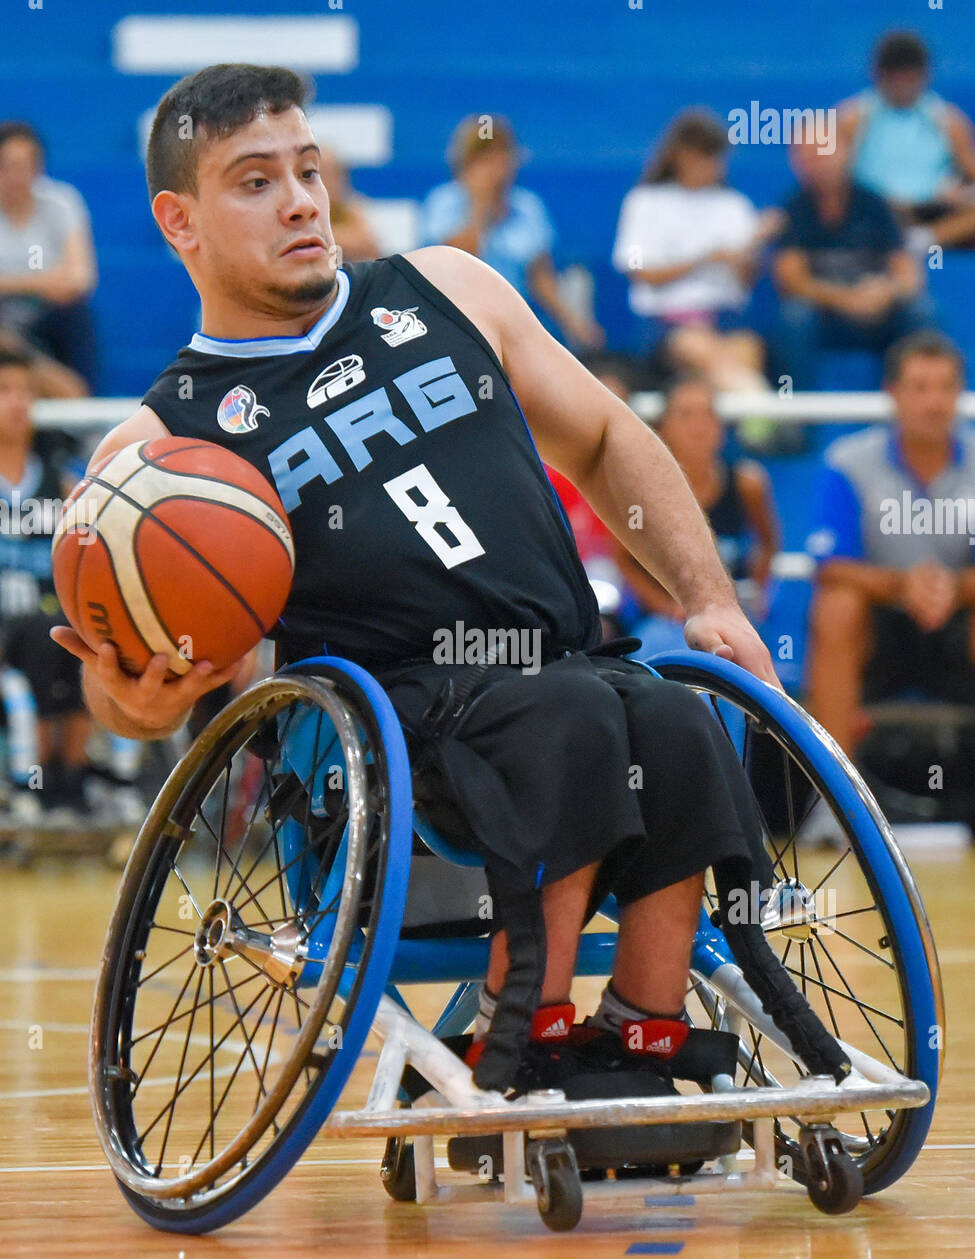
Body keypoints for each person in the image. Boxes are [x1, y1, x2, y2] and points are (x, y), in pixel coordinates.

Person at [53, 65, 846, 1102]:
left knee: (681, 719)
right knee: (563, 714)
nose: (300, 199)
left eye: (306, 169)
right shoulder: (160, 451)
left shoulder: (449, 286)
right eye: (254, 182)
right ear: (178, 220)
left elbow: (606, 435)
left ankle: (646, 1034)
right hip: (394, 725)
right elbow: (118, 688)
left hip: (566, 665)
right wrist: (135, 701)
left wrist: (709, 597)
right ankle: (527, 1032)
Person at [807, 330, 975, 761]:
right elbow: (830, 566)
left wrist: (954, 589)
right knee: (836, 606)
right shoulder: (851, 462)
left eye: (945, 387)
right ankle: (835, 802)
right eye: (919, 388)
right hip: (881, 636)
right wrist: (904, 586)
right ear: (893, 394)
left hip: (958, 631)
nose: (934, 403)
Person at [612, 110, 782, 402]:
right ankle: (764, 417)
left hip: (726, 320)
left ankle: (754, 421)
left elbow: (746, 282)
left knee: (747, 350)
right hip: (666, 324)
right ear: (680, 155)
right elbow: (640, 271)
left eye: (716, 157)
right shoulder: (644, 203)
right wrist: (705, 259)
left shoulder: (734, 206)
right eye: (704, 156)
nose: (712, 166)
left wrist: (749, 254)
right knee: (701, 349)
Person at [615, 376, 780, 659]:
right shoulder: (639, 489)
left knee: (743, 656)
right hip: (663, 621)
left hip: (731, 618)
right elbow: (623, 559)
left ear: (722, 429)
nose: (699, 425)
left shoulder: (748, 483)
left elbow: (768, 542)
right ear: (662, 427)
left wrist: (755, 592)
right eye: (686, 414)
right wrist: (667, 609)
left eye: (709, 414)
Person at [419, 114, 603, 351]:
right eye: (485, 158)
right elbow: (457, 263)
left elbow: (540, 277)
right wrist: (479, 206)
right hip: (454, 322)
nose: (496, 166)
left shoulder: (528, 206)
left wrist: (573, 322)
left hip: (512, 326)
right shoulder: (442, 202)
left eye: (502, 154)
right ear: (466, 163)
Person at [0, 346, 91, 820]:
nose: (18, 403)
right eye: (4, 391)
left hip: (46, 613)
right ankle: (32, 783)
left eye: (26, 393)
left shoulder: (56, 476)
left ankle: (71, 784)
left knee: (81, 633)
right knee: (36, 638)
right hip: (7, 626)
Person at [773, 133, 934, 391]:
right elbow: (791, 280)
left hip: (878, 313)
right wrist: (846, 299)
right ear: (797, 162)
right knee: (794, 318)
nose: (820, 162)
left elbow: (909, 275)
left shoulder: (875, 205)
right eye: (810, 155)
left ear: (846, 153)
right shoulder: (794, 209)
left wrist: (886, 291)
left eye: (825, 152)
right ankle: (797, 420)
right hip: (826, 316)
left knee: (922, 312)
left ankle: (923, 404)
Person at [839, 31, 975, 251]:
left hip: (933, 210)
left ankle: (920, 240)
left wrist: (963, 193)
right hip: (876, 208)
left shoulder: (949, 120)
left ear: (925, 75)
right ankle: (904, 239)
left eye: (910, 79)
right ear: (878, 75)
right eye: (896, 79)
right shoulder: (852, 118)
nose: (903, 87)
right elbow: (833, 177)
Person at [0, 122, 98, 391]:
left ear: (38, 168)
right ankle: (60, 386)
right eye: (7, 166)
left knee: (75, 315)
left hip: (46, 320)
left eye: (24, 166)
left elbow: (81, 279)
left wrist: (9, 284)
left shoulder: (61, 201)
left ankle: (83, 419)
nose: (15, 177)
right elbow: (61, 280)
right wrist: (44, 281)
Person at [318, 146, 381, 262]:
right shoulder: (301, 210)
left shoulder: (351, 208)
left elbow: (369, 244)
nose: (331, 182)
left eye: (335, 174)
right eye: (322, 174)